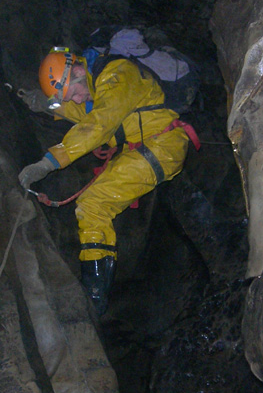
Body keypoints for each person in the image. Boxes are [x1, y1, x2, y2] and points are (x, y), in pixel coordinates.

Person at [18, 48, 190, 316]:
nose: (76, 98)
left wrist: (49, 162)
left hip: (162, 145)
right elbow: (81, 111)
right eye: (70, 97)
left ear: (77, 70)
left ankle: (95, 299)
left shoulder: (118, 74)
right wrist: (44, 103)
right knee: (92, 206)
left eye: (74, 91)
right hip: (143, 148)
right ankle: (95, 296)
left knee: (93, 205)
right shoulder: (92, 87)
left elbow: (99, 123)